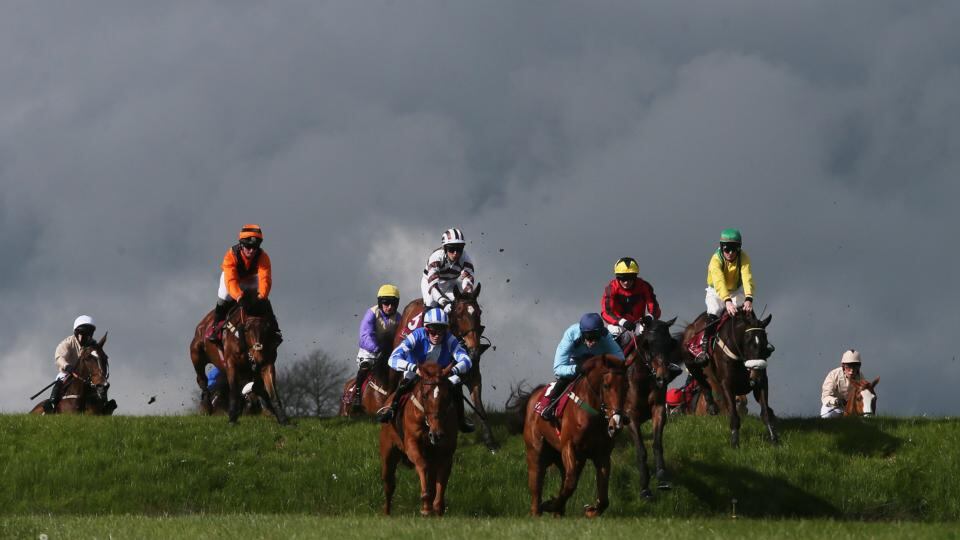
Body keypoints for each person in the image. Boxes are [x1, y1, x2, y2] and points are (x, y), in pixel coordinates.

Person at [377, 307, 474, 432]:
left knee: (456, 384)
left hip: (440, 375)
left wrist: (453, 370)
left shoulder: (450, 339)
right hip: (417, 371)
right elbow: (393, 359)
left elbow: (466, 360)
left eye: (441, 332)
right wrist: (413, 368)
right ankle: (392, 410)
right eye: (433, 332)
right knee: (404, 384)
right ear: (426, 329)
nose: (437, 336)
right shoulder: (416, 335)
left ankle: (461, 420)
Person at [541, 313, 625, 421]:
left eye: (596, 337)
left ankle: (621, 409)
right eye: (589, 337)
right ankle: (549, 404)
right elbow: (558, 368)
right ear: (582, 333)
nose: (592, 342)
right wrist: (576, 369)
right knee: (564, 379)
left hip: (596, 364)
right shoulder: (571, 334)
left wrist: (604, 367)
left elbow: (620, 360)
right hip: (575, 362)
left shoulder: (606, 336)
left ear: (601, 333)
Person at [205, 224, 281, 343]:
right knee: (224, 296)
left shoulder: (263, 257)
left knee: (264, 299)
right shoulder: (230, 255)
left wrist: (261, 296)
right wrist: (239, 296)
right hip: (231, 278)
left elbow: (265, 278)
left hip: (250, 278)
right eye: (248, 247)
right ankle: (216, 326)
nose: (252, 250)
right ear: (241, 245)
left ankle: (274, 329)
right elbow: (231, 280)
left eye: (255, 247)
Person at [696, 228, 755, 363]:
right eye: (727, 249)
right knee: (714, 311)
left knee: (748, 311)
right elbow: (719, 282)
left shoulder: (744, 258)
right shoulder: (715, 260)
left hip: (736, 290)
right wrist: (727, 301)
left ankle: (758, 340)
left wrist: (749, 298)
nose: (730, 253)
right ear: (721, 247)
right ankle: (704, 349)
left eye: (734, 249)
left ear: (739, 248)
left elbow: (747, 278)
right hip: (716, 291)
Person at [350, 284, 402, 411]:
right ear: (380, 303)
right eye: (386, 303)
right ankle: (357, 396)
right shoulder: (372, 313)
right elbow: (365, 335)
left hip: (389, 352)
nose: (389, 307)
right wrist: (376, 349)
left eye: (393, 304)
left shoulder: (399, 317)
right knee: (365, 367)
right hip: (370, 352)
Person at [45, 315, 98, 413]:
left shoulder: (93, 345)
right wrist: (68, 367)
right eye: (84, 333)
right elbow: (59, 357)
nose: (87, 336)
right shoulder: (68, 343)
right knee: (60, 378)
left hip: (86, 375)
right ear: (77, 332)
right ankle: (52, 404)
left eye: (89, 333)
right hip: (68, 373)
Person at [420, 228, 476, 312]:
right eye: (452, 249)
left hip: (450, 284)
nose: (455, 253)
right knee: (431, 303)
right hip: (430, 283)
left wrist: (467, 295)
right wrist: (443, 302)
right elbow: (433, 284)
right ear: (445, 248)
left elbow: (468, 282)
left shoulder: (465, 259)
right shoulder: (436, 257)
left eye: (459, 249)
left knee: (461, 304)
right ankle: (425, 319)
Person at [820, 349, 866, 418]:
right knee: (826, 416)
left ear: (859, 367)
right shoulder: (833, 375)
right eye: (849, 366)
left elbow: (864, 397)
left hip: (851, 408)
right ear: (843, 366)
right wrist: (836, 401)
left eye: (855, 366)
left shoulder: (861, 377)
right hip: (834, 407)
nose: (852, 370)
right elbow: (826, 396)